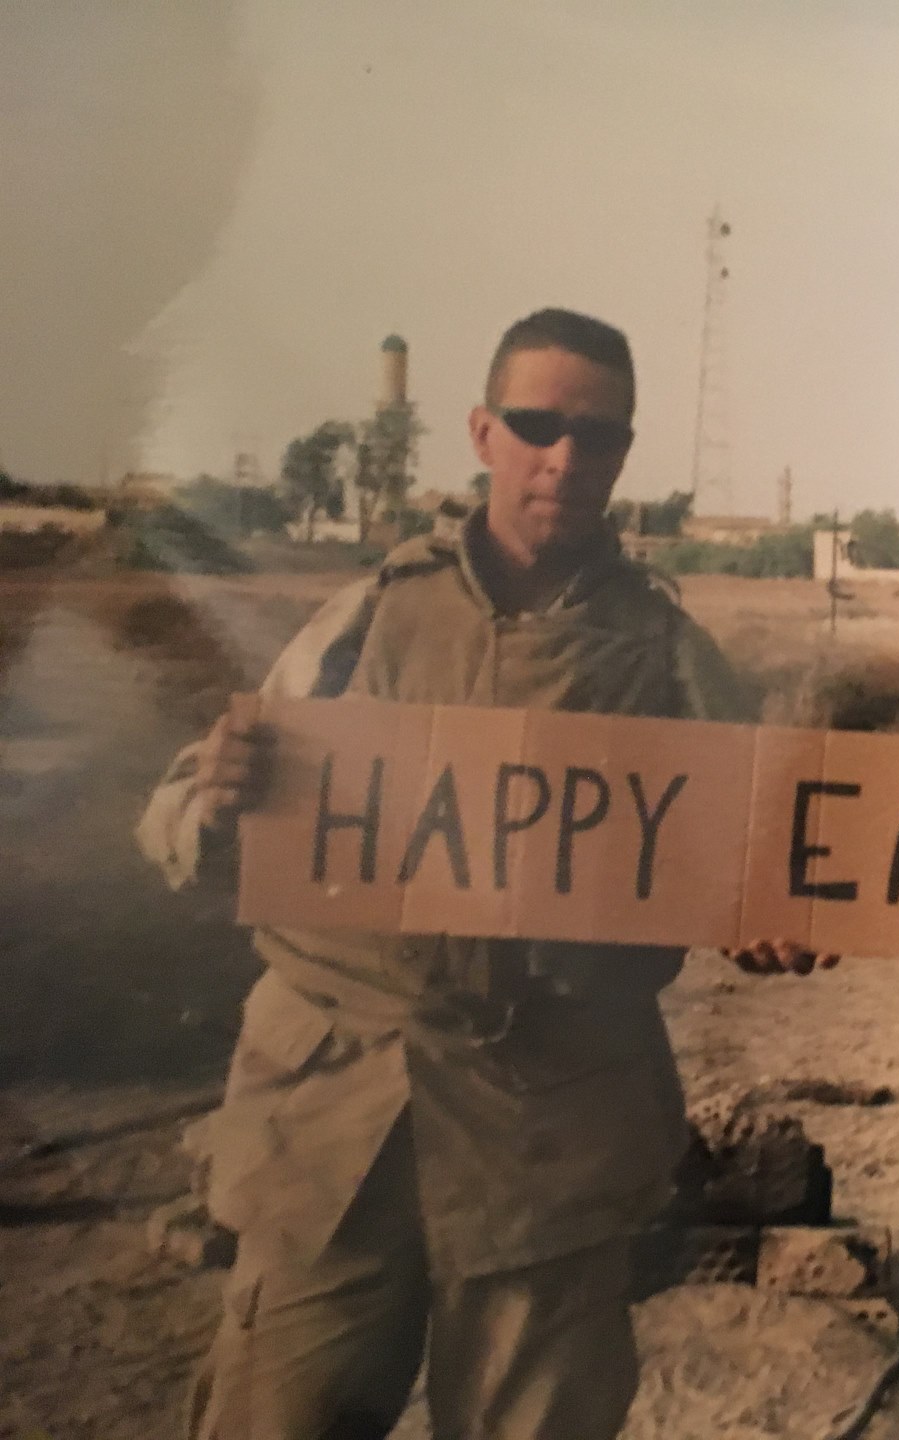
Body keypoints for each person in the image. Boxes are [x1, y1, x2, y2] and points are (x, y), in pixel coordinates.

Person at [139, 308, 823, 1440]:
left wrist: (767, 915)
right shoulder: (368, 615)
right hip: (334, 1117)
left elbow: (762, 853)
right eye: (537, 424)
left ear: (622, 453)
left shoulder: (666, 653)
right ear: (482, 431)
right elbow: (177, 811)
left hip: (548, 1127)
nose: (565, 457)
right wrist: (212, 804)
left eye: (597, 436)